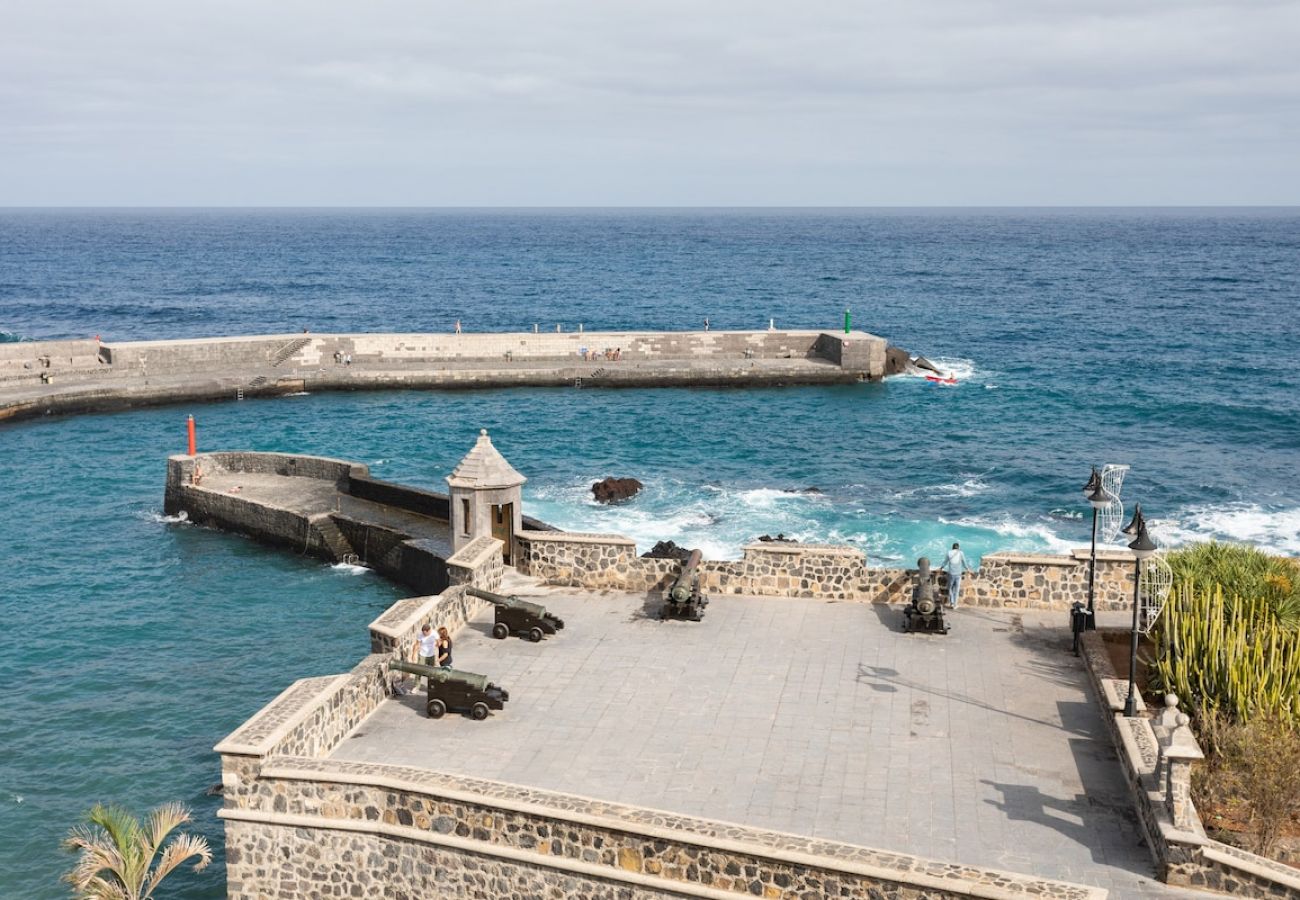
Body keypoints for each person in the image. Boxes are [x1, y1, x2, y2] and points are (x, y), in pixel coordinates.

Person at [939, 542, 973, 608]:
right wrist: (968, 569)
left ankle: (951, 602)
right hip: (958, 574)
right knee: (956, 590)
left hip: (951, 573)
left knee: (950, 588)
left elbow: (945, 562)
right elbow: (964, 563)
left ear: (952, 547)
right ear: (958, 547)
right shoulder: (961, 553)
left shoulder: (949, 553)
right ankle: (955, 605)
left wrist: (941, 568)